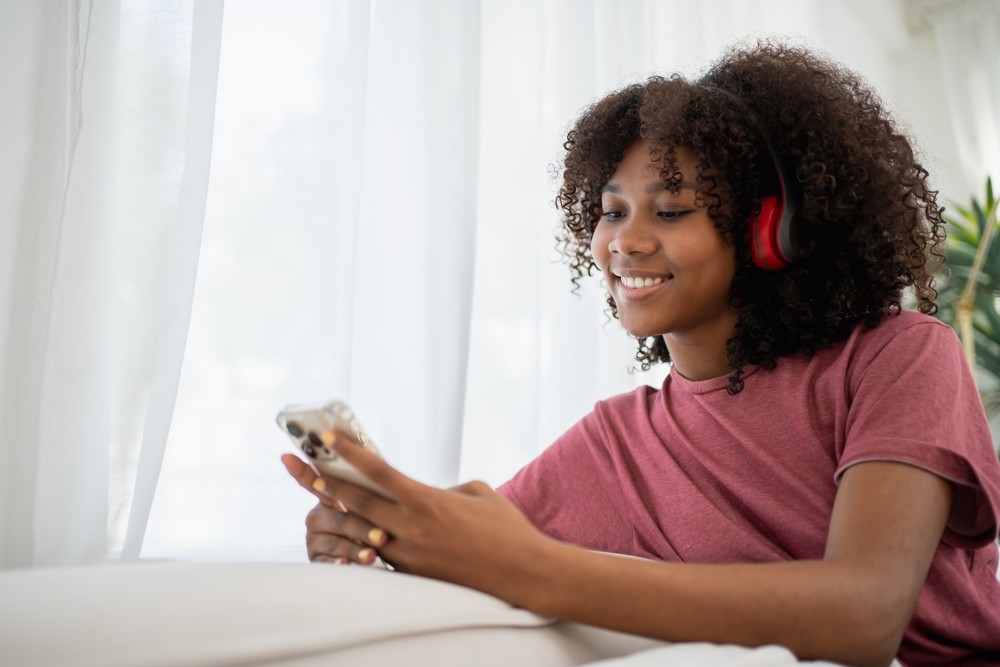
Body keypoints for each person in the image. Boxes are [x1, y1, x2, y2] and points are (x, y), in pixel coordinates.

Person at [282, 43, 1000, 667]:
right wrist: (374, 531)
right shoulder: (617, 443)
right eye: (612, 210)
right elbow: (479, 536)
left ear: (768, 230)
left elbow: (866, 617)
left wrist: (532, 568)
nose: (623, 242)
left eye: (671, 209)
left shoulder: (899, 358)